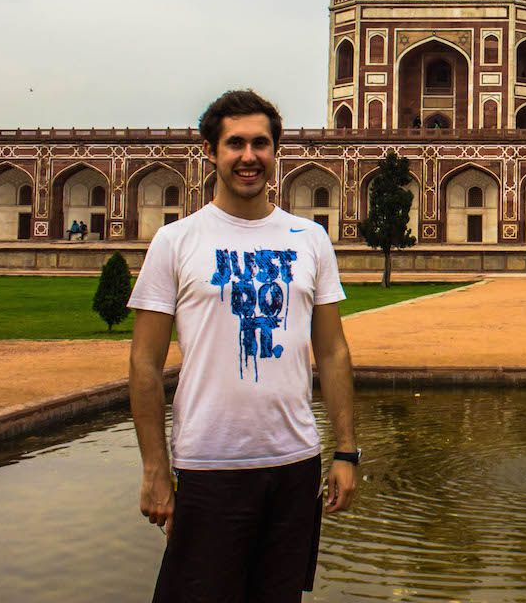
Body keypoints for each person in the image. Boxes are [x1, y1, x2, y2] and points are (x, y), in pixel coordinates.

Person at [127, 89, 358, 602]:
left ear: (277, 151)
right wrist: (154, 469)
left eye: (260, 143)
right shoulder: (177, 241)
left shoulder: (310, 239)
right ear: (210, 151)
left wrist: (346, 452)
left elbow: (334, 351)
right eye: (235, 144)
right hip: (210, 463)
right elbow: (144, 364)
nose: (248, 156)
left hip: (294, 463)